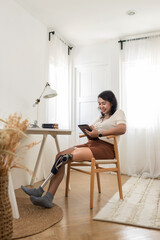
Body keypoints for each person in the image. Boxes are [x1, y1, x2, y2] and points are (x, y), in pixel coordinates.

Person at [21, 90, 126, 208]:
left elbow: (122, 129)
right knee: (59, 155)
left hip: (106, 149)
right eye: (99, 103)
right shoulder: (100, 118)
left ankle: (44, 194)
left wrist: (100, 133)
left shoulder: (118, 113)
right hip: (92, 145)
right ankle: (45, 195)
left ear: (111, 102)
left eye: (104, 103)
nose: (101, 106)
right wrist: (89, 131)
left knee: (65, 158)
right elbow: (92, 129)